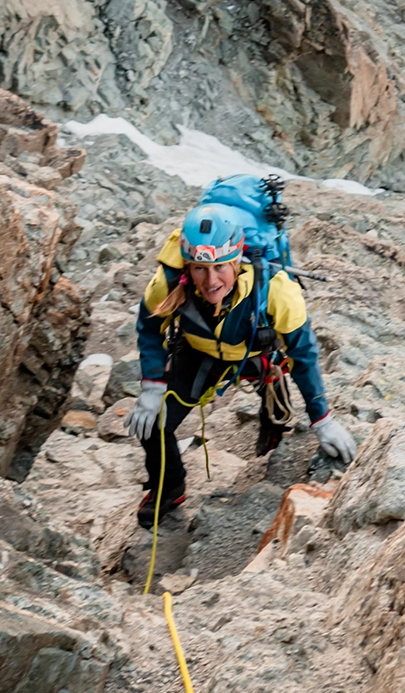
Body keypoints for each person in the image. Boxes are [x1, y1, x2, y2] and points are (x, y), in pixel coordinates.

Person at [129, 201, 357, 527]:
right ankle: (170, 488)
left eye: (221, 267)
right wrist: (153, 385)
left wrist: (322, 419)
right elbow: (150, 328)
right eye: (200, 269)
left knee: (273, 400)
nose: (211, 281)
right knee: (153, 424)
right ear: (188, 266)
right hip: (198, 352)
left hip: (256, 355)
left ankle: (273, 407)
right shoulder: (169, 282)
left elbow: (303, 353)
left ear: (237, 260)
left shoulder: (276, 289)